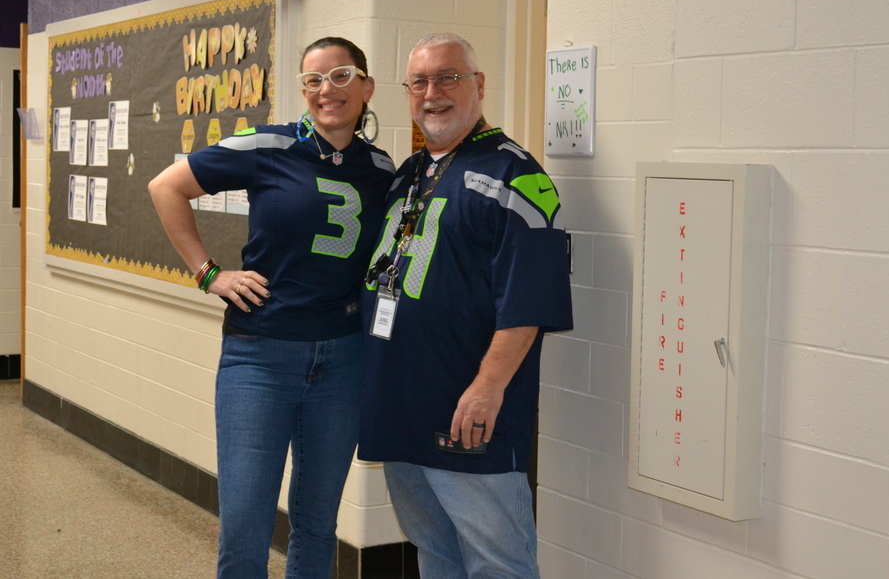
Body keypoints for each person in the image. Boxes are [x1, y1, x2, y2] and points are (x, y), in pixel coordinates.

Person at [149, 37, 395, 579]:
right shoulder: (268, 144)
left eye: (341, 76)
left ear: (367, 87)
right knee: (246, 522)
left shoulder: (380, 167)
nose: (326, 90)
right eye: (313, 80)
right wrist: (208, 273)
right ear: (303, 90)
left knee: (316, 523)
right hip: (259, 355)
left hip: (343, 358)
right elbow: (166, 187)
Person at [359, 33, 573, 578]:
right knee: (435, 553)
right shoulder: (410, 174)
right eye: (420, 82)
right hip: (401, 409)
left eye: (448, 77)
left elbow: (529, 302)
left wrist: (487, 387)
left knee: (497, 564)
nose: (433, 93)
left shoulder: (515, 177)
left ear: (478, 85)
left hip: (468, 415)